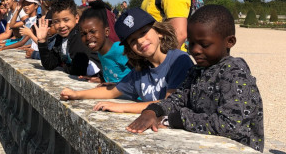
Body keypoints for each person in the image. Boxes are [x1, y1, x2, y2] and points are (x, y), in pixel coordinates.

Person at [127, 5, 265, 152]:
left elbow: (232, 125)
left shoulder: (235, 73)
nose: (195, 50)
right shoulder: (196, 71)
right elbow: (177, 99)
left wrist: (176, 119)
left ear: (229, 42)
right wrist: (153, 111)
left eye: (204, 45)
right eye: (191, 44)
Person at [60, 8, 193, 114]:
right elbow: (112, 91)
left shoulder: (178, 60)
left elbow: (170, 104)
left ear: (159, 31)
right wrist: (76, 94)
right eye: (133, 41)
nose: (140, 41)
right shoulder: (140, 71)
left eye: (144, 32)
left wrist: (123, 107)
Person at [36, 0, 100, 77]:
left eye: (66, 20)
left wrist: (63, 65)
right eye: (56, 21)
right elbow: (49, 64)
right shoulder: (60, 37)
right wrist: (42, 41)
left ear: (76, 18)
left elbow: (79, 69)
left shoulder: (79, 35)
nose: (61, 25)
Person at [77, 7, 131, 83]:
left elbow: (141, 75)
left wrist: (118, 87)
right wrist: (102, 80)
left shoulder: (120, 50)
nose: (88, 37)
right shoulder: (100, 53)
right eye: (83, 34)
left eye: (92, 31)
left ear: (106, 32)